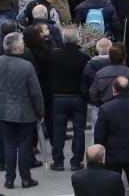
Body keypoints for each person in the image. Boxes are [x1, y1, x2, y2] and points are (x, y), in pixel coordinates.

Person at [0, 32, 44, 190]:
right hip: (25, 112)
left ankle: (9, 179)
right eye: (22, 43)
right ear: (18, 48)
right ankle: (26, 178)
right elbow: (35, 93)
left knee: (9, 145)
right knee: (24, 146)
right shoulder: (26, 66)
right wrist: (40, 112)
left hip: (3, 110)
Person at [50, 28, 91, 172]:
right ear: (76, 40)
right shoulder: (83, 57)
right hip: (78, 97)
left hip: (59, 97)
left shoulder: (54, 55)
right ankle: (76, 161)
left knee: (59, 130)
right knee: (79, 130)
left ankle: (58, 161)